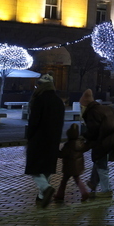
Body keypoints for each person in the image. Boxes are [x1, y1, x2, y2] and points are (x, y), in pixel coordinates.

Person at [25, 73, 65, 207]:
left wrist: (29, 136)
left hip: (39, 138)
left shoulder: (39, 100)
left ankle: (46, 189)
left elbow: (34, 122)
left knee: (34, 167)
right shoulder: (59, 101)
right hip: (53, 139)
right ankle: (42, 196)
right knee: (47, 167)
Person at [82, 91, 114, 199]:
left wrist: (85, 137)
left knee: (101, 165)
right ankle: (93, 184)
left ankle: (106, 190)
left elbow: (93, 130)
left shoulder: (92, 112)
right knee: (99, 162)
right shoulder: (105, 108)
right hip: (113, 138)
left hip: (103, 141)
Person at [54, 122, 91, 203]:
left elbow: (62, 154)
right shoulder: (81, 143)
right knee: (77, 179)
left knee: (64, 181)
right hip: (77, 166)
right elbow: (87, 147)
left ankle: (60, 195)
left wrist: (56, 151)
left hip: (68, 166)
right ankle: (84, 192)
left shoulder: (68, 145)